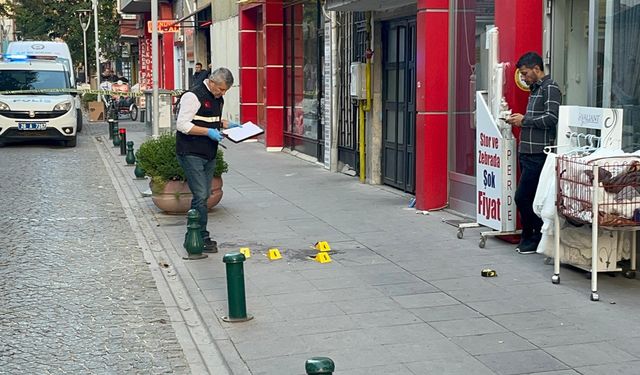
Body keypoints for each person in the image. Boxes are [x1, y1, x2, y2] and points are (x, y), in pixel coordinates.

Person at [176, 67, 242, 253]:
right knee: (201, 195)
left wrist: (229, 125)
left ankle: (198, 234)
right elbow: (182, 124)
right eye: (221, 89)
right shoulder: (193, 96)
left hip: (209, 152)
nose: (222, 93)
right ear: (212, 82)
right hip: (191, 151)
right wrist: (208, 132)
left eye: (225, 91)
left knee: (204, 195)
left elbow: (211, 119)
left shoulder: (217, 97)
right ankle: (198, 236)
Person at [505, 51, 561, 254]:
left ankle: (535, 234)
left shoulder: (550, 88)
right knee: (528, 196)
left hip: (539, 153)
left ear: (537, 69)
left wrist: (524, 120)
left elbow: (552, 118)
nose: (523, 77)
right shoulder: (535, 89)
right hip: (527, 150)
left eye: (525, 73)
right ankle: (529, 235)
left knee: (522, 197)